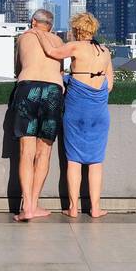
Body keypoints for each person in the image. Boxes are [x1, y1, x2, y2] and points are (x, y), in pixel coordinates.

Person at [31, 12, 112, 218]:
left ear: (77, 30)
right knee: (96, 161)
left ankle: (73, 208)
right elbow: (109, 85)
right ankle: (95, 208)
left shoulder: (75, 47)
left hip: (76, 109)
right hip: (99, 112)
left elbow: (51, 52)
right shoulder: (105, 51)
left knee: (74, 160)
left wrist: (36, 32)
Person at [10, 8, 65, 221]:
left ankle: (28, 209)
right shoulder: (58, 41)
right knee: (44, 152)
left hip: (27, 88)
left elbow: (18, 68)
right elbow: (60, 71)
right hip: (53, 90)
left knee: (26, 151)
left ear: (33, 22)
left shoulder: (23, 38)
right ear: (50, 26)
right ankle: (34, 203)